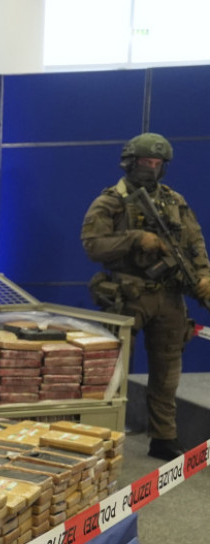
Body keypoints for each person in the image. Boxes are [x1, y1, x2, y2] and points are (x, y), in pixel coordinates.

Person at [81, 132, 210, 461]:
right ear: (130, 162)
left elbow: (194, 243)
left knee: (167, 373)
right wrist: (135, 238)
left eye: (156, 163)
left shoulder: (175, 201)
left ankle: (164, 437)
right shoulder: (111, 201)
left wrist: (204, 277)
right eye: (145, 162)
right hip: (127, 295)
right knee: (113, 371)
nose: (150, 168)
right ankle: (104, 437)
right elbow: (93, 244)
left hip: (169, 297)